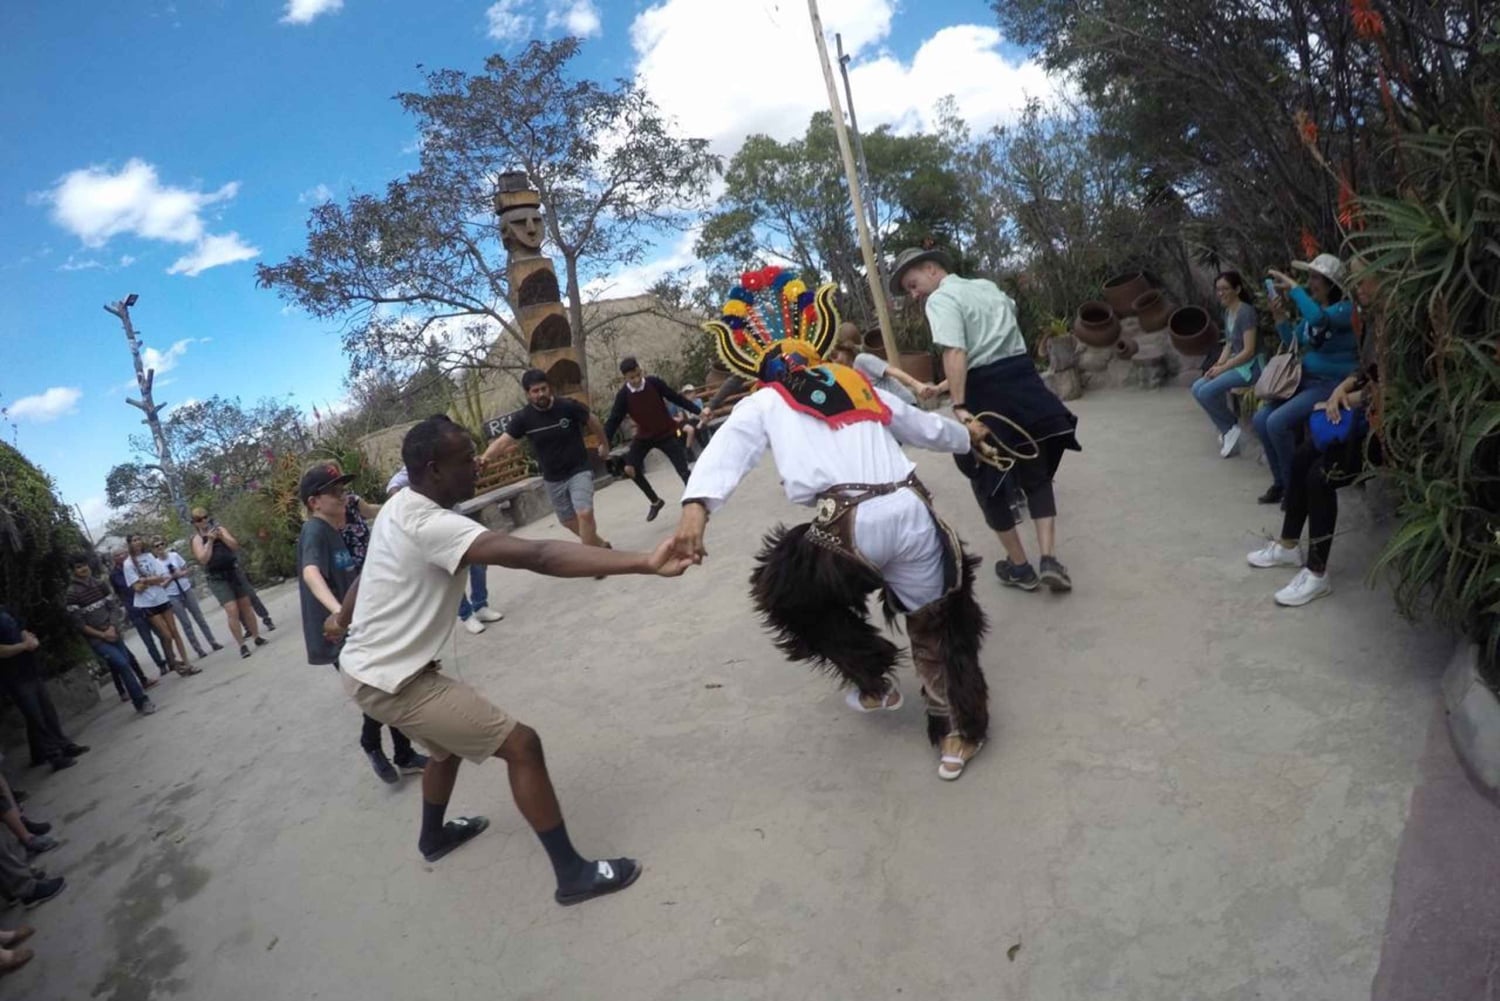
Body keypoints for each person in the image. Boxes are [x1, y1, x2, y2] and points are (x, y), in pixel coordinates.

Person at [330, 415, 693, 904]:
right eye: (466, 460)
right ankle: (572, 876)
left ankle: (434, 837)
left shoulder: (399, 504)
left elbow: (366, 573)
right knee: (523, 745)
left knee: (445, 750)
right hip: (393, 682)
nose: (477, 465)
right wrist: (643, 561)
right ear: (434, 470)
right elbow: (539, 555)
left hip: (368, 671)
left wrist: (341, 618)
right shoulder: (431, 523)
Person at [674, 266, 992, 780]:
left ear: (763, 370)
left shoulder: (765, 399)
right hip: (912, 512)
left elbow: (729, 447)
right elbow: (922, 427)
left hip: (848, 526)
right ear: (816, 355)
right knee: (935, 622)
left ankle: (873, 681)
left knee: (786, 592)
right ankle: (958, 730)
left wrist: (696, 508)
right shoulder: (859, 384)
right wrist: (968, 435)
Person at [891, 245, 1081, 593]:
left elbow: (956, 350)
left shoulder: (940, 299)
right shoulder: (988, 288)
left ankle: (1020, 568)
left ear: (931, 269)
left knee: (986, 479)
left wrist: (960, 405)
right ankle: (1049, 559)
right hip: (1024, 382)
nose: (915, 294)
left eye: (913, 285)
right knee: (1035, 471)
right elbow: (990, 347)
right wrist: (944, 385)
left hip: (986, 395)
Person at [1248, 268, 1381, 606]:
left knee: (1320, 478)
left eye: (1363, 280)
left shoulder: (1363, 320)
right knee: (1302, 457)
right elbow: (1364, 371)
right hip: (1352, 409)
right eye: (1354, 281)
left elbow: (1391, 389)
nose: (1357, 288)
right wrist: (1344, 388)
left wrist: (1345, 396)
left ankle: (1317, 573)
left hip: (1380, 430)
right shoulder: (1370, 323)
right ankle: (1288, 545)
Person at [297, 462, 428, 785]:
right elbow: (311, 574)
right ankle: (372, 744)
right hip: (341, 633)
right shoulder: (314, 532)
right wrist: (340, 615)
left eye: (342, 488)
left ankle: (403, 753)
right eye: (334, 491)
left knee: (392, 682)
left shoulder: (334, 527)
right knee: (382, 687)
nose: (343, 495)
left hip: (361, 623)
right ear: (314, 502)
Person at [1254, 253, 1359, 505]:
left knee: (1276, 422)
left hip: (1329, 384)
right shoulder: (1316, 310)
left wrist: (1294, 289)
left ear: (1331, 284)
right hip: (1306, 380)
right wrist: (1279, 316)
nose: (1310, 283)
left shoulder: (1345, 310)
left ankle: (1295, 490)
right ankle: (1282, 483)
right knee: (1260, 419)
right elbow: (1293, 340)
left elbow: (1319, 320)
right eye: (1309, 277)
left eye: (1315, 278)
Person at [480, 371, 611, 552]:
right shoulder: (524, 418)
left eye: (543, 389)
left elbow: (592, 420)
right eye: (535, 391)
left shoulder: (567, 406)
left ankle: (593, 558)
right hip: (553, 478)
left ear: (549, 388)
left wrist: (604, 443)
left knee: (584, 513)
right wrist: (485, 458)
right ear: (527, 394)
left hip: (578, 469)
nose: (541, 394)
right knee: (568, 521)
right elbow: (503, 442)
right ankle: (600, 545)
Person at [387, 465, 503, 635]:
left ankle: (480, 606)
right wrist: (403, 505)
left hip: (456, 519)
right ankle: (466, 615)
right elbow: (394, 485)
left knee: (478, 562)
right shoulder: (418, 466)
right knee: (452, 571)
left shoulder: (446, 459)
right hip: (437, 528)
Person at [602, 357, 701, 521]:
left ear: (640, 371)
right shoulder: (623, 396)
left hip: (666, 433)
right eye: (631, 378)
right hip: (644, 436)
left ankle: (697, 501)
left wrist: (698, 411)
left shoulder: (654, 383)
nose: (636, 380)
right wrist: (604, 442)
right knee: (630, 469)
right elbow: (614, 420)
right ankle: (655, 501)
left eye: (637, 375)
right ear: (625, 378)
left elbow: (675, 398)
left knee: (683, 470)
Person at [64, 554, 158, 716]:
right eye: (78, 567)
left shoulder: (100, 584)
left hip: (114, 633)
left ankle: (138, 702)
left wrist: (113, 627)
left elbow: (113, 607)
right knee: (122, 664)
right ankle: (143, 701)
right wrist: (102, 635)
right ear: (73, 571)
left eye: (84, 565)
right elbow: (79, 624)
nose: (83, 569)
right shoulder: (72, 594)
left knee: (125, 665)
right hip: (98, 640)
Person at [0, 607, 88, 771]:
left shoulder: (4, 609)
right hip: (13, 676)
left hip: (30, 668)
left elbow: (21, 627)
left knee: (48, 711)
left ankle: (63, 745)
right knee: (35, 716)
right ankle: (54, 756)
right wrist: (24, 646)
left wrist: (28, 639)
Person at [1190, 271, 1261, 458]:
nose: (1220, 293)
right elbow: (1229, 344)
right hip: (1236, 364)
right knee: (1197, 388)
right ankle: (1229, 428)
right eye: (1218, 289)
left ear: (1237, 289)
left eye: (1225, 289)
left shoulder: (1246, 312)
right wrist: (1217, 366)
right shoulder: (1228, 312)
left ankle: (1229, 428)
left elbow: (1249, 350)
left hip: (1251, 367)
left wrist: (1223, 368)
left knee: (1206, 392)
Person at [190, 508, 268, 659]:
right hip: (217, 577)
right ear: (194, 523)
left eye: (205, 517)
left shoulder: (220, 529)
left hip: (232, 571)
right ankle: (242, 645)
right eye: (199, 520)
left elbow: (234, 545)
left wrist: (221, 537)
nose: (204, 521)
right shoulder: (197, 539)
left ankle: (256, 636)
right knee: (232, 610)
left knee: (246, 606)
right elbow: (203, 559)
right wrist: (210, 541)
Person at [122, 535, 198, 676]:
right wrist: (150, 581)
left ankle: (187, 663)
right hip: (148, 602)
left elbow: (161, 577)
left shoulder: (149, 556)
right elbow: (137, 587)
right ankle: (172, 661)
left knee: (174, 631)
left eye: (139, 539)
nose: (138, 542)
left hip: (161, 597)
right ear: (129, 544)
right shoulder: (128, 564)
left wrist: (144, 580)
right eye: (134, 540)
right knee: (166, 635)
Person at [827, 324, 938, 406]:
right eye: (830, 360)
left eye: (835, 355)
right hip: (891, 411)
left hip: (904, 404)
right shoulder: (849, 373)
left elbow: (893, 370)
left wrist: (917, 385)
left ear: (846, 349)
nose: (834, 362)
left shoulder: (862, 360)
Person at [153, 539, 222, 658]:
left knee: (199, 617)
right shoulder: (155, 564)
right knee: (186, 623)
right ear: (153, 550)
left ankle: (213, 641)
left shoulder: (174, 556)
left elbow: (186, 570)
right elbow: (160, 585)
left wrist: (180, 574)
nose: (160, 547)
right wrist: (171, 578)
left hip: (185, 588)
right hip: (172, 594)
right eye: (156, 546)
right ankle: (198, 649)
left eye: (161, 544)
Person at [109, 552, 168, 676]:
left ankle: (170, 659)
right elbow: (123, 590)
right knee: (148, 641)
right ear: (113, 558)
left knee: (162, 634)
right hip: (134, 609)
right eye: (117, 555)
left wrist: (144, 583)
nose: (121, 556)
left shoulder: (135, 566)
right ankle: (160, 664)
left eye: (122, 553)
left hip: (149, 604)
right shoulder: (114, 575)